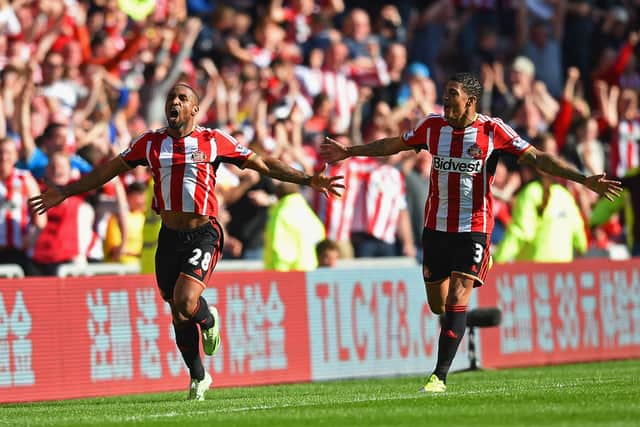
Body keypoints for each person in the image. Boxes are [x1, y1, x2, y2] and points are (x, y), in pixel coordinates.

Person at [29, 83, 343, 401]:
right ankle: (199, 377)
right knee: (178, 312)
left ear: (194, 109)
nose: (174, 102)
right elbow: (108, 170)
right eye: (171, 98)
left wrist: (307, 179)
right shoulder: (150, 143)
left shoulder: (213, 141)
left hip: (204, 232)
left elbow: (262, 163)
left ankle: (208, 319)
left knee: (185, 301)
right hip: (169, 237)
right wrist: (66, 191)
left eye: (182, 98)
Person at [320, 72, 622, 393]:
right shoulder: (432, 127)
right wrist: (350, 151)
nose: (446, 99)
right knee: (438, 304)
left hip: (474, 228)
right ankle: (458, 309)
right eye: (445, 93)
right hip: (436, 227)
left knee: (457, 297)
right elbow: (393, 144)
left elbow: (538, 158)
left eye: (452, 93)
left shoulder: (493, 131)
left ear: (470, 100)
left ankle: (439, 376)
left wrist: (582, 178)